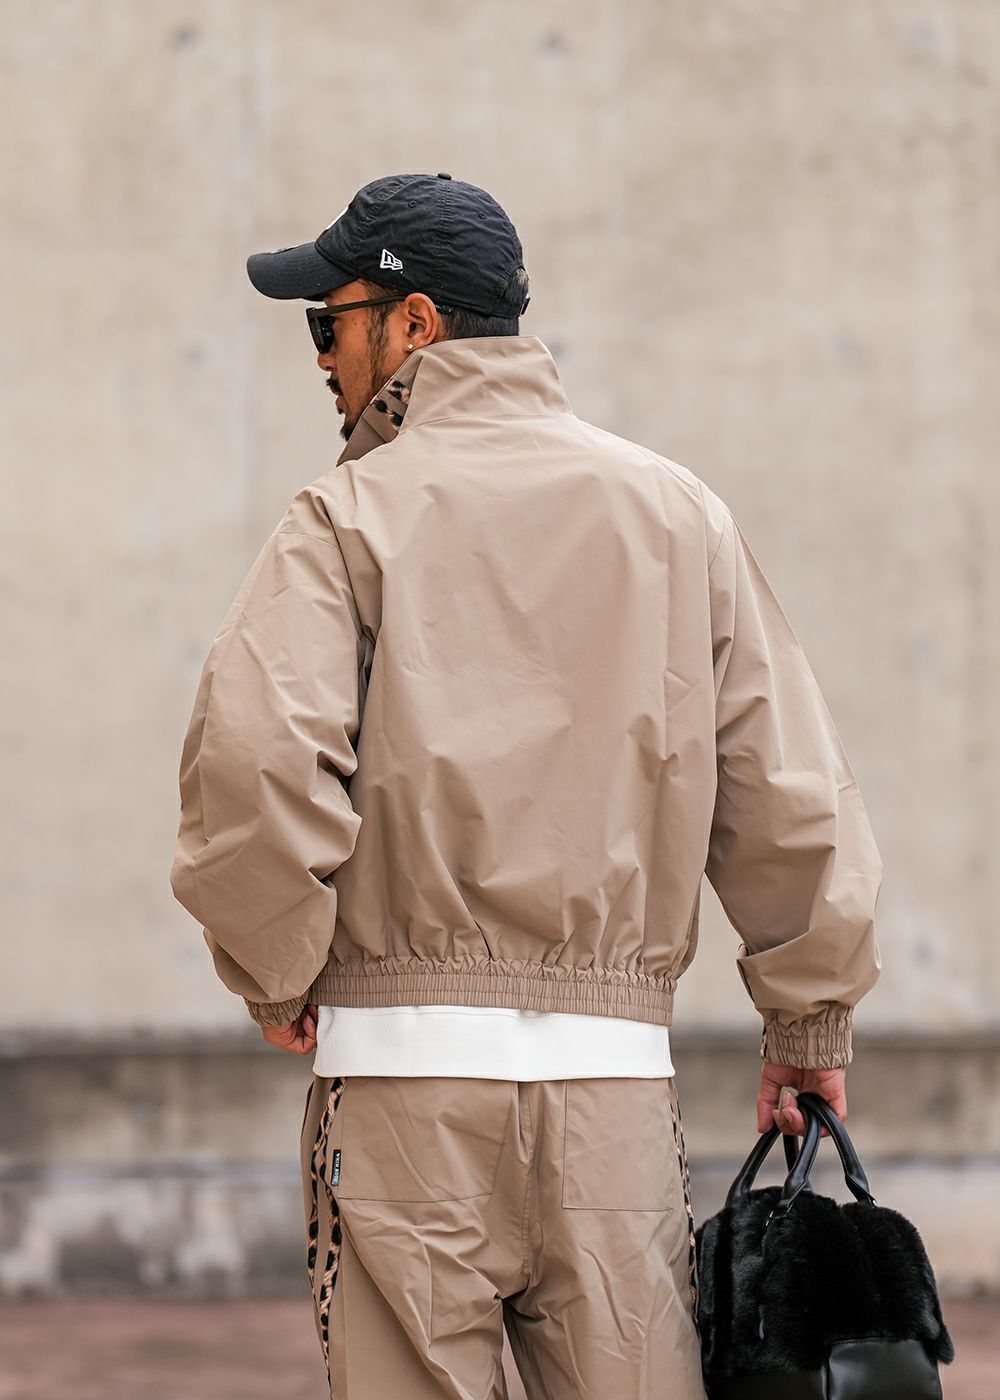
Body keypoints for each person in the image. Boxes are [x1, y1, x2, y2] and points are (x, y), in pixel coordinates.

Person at [169, 172, 883, 1400]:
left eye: (329, 322)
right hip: (612, 1100)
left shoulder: (342, 519)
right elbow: (787, 786)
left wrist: (274, 967)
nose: (322, 357)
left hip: (402, 1091)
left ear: (413, 323)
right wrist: (806, 1020)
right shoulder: (677, 516)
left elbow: (255, 766)